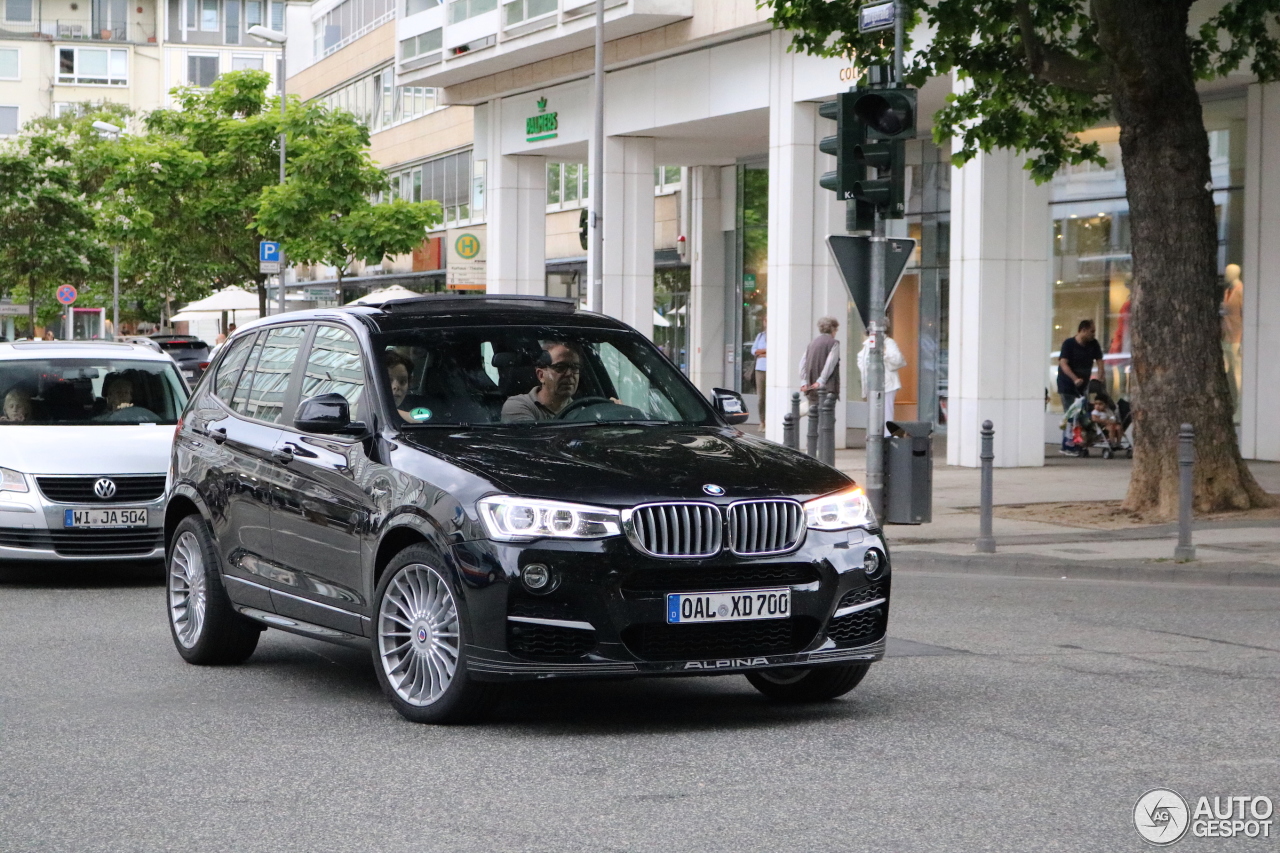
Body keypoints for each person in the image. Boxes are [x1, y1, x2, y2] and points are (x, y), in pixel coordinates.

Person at [501, 343, 581, 422]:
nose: (569, 374)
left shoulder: (583, 409)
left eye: (575, 368)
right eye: (560, 367)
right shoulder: (517, 405)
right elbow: (530, 434)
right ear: (541, 375)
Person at [856, 319, 907, 435]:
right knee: (873, 415)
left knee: (886, 414)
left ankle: (887, 440)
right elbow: (862, 362)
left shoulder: (888, 343)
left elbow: (897, 359)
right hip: (872, 385)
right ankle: (875, 439)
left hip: (887, 384)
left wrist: (884, 353)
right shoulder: (867, 344)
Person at [1056, 319, 1104, 412]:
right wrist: (1075, 379)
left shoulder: (1094, 344)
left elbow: (1100, 362)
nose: (1093, 334)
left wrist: (1100, 376)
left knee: (1084, 411)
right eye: (1092, 331)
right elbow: (1063, 363)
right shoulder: (1068, 344)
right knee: (1071, 412)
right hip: (1067, 384)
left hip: (1083, 385)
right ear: (1083, 330)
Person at [799, 317, 841, 408]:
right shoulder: (833, 343)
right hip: (827, 388)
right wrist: (821, 380)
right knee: (827, 418)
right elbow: (830, 363)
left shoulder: (812, 343)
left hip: (811, 388)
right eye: (836, 329)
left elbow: (802, 362)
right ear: (832, 329)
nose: (836, 332)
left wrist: (804, 381)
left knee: (814, 417)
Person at [384, 349, 428, 421]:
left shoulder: (416, 406)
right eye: (388, 380)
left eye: (402, 381)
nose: (396, 386)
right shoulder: (364, 409)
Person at [1222, 263, 1243, 404]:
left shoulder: (1241, 290)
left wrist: (1243, 339)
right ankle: (1228, 402)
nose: (1225, 275)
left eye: (1227, 272)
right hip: (1226, 337)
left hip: (1237, 337)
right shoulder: (1227, 291)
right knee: (1224, 370)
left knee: (1237, 372)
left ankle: (1240, 402)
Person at [752, 316, 767, 432]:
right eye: (765, 320)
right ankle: (762, 421)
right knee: (761, 397)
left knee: (770, 396)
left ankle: (771, 420)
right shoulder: (760, 335)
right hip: (760, 369)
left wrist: (762, 352)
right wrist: (765, 352)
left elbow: (775, 350)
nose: (766, 322)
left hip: (772, 369)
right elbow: (754, 351)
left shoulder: (777, 334)